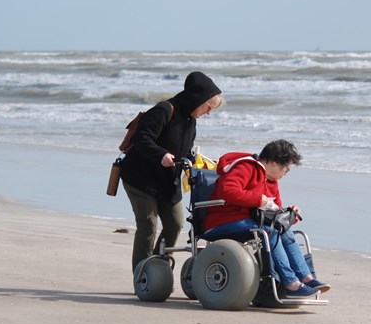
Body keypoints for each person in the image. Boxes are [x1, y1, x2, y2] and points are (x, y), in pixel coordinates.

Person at [120, 71, 223, 273]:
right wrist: (161, 155)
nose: (209, 113)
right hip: (140, 179)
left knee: (175, 224)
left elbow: (185, 150)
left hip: (168, 182)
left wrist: (199, 161)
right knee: (148, 225)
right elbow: (142, 139)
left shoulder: (191, 120)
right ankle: (143, 275)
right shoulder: (163, 110)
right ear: (198, 99)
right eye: (209, 107)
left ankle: (160, 268)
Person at [202, 139, 330, 298]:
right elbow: (226, 190)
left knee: (285, 231)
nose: (285, 174)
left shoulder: (272, 182)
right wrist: (258, 199)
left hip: (251, 222)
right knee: (270, 232)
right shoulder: (246, 167)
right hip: (223, 220)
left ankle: (306, 277)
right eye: (286, 169)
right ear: (276, 163)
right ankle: (291, 283)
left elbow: (276, 214)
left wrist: (290, 214)